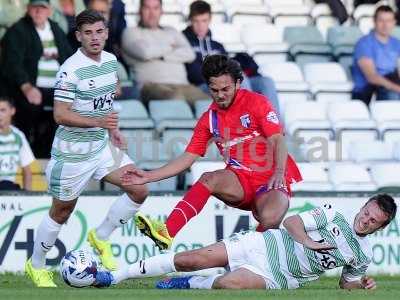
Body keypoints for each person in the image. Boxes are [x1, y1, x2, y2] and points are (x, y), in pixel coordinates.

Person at [121, 54, 302, 250]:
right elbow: (186, 158)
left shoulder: (257, 102)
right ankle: (166, 232)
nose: (221, 95)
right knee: (208, 178)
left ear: (238, 83)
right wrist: (148, 176)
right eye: (214, 90)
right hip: (240, 180)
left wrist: (279, 171)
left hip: (271, 179)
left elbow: (277, 139)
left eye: (226, 89)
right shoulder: (209, 119)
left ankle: (250, 259)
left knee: (269, 217)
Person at [24, 9, 149, 288]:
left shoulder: (111, 61)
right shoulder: (70, 69)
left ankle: (100, 237)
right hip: (72, 153)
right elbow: (60, 114)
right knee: (62, 212)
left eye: (99, 31)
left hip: (102, 147)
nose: (95, 38)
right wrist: (100, 122)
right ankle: (36, 265)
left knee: (139, 186)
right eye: (88, 33)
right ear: (78, 36)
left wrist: (112, 130)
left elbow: (103, 103)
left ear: (106, 33)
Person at [93, 194, 397, 290]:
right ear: (363, 206)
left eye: (374, 221)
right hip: (264, 246)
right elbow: (291, 222)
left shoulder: (363, 253)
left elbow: (346, 284)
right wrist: (312, 244)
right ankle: (115, 275)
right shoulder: (336, 214)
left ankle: (190, 284)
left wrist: (362, 285)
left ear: (380, 226)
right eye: (367, 212)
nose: (366, 220)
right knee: (192, 259)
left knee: (228, 285)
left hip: (280, 276)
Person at [0, 0, 73, 158]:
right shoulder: (18, 30)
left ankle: (49, 153)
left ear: (49, 12)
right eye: (35, 8)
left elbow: (70, 57)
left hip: (57, 88)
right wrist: (27, 87)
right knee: (29, 107)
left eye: (43, 8)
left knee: (66, 109)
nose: (38, 12)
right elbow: (12, 64)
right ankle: (30, 154)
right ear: (28, 9)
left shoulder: (55, 29)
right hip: (29, 87)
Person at [183, 0, 280, 116]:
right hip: (203, 85)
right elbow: (194, 73)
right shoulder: (184, 42)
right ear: (190, 21)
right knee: (238, 80)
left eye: (204, 21)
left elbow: (229, 67)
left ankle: (275, 128)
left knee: (266, 82)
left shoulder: (217, 46)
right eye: (196, 21)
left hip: (224, 82)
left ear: (210, 20)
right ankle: (248, 124)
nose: (200, 26)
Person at [120, 0, 208, 104]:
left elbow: (189, 54)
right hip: (151, 86)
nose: (152, 13)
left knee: (210, 105)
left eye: (156, 8)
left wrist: (160, 56)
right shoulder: (130, 32)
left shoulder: (171, 31)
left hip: (184, 86)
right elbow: (145, 53)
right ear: (140, 10)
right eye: (147, 8)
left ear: (161, 11)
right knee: (176, 100)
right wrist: (171, 46)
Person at [352, 5, 400, 105]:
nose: (385, 25)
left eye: (389, 21)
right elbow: (372, 77)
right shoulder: (364, 44)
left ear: (394, 22)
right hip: (368, 89)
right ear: (374, 22)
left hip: (392, 83)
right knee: (393, 95)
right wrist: (397, 88)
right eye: (381, 20)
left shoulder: (396, 43)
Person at [0, 97, 35, 191]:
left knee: (7, 185)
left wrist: (27, 197)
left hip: (8, 187)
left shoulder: (18, 136)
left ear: (12, 111)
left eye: (3, 110)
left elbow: (27, 170)